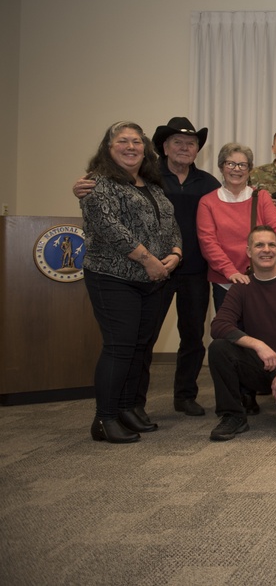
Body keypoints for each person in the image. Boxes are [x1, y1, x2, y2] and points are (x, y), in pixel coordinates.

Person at [73, 115, 221, 417]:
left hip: (193, 270)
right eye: (177, 142)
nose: (184, 148)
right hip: (151, 272)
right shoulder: (150, 176)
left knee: (193, 337)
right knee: (143, 339)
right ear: (164, 147)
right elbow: (105, 205)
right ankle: (134, 403)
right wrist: (79, 188)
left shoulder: (208, 182)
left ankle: (185, 396)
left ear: (197, 150)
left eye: (190, 143)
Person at [80, 121, 182, 443]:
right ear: (108, 149)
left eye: (137, 141)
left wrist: (176, 253)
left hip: (152, 280)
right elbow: (109, 228)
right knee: (119, 348)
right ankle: (104, 418)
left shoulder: (151, 185)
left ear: (145, 149)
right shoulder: (97, 183)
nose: (131, 147)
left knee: (139, 348)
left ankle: (125, 409)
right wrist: (148, 259)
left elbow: (171, 223)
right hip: (112, 277)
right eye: (122, 141)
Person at [206, 226, 276, 441]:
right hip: (260, 363)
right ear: (248, 251)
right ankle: (233, 416)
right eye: (259, 245)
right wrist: (258, 345)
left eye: (271, 245)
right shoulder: (242, 287)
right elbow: (219, 325)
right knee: (219, 348)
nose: (266, 250)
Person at [197, 143, 276, 312]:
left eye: (242, 165)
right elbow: (208, 243)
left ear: (249, 169)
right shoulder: (207, 202)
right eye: (230, 163)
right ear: (221, 167)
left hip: (261, 279)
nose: (236, 169)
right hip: (226, 283)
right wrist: (230, 272)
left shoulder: (262, 197)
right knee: (230, 335)